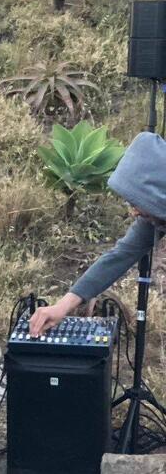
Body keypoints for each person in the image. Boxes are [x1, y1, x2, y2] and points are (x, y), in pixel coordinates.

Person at [30, 131, 166, 337]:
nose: (134, 212)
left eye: (137, 203)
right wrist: (62, 306)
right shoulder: (155, 217)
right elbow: (119, 256)